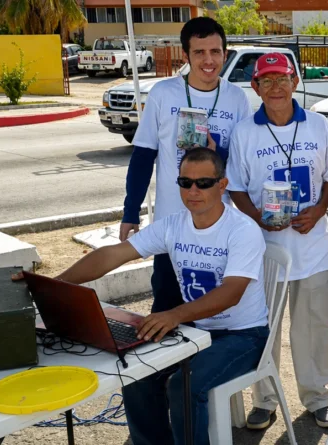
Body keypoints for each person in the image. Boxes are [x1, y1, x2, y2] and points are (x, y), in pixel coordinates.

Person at [20, 148, 269, 445]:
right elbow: (113, 255)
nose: (193, 190)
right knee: (136, 374)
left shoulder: (242, 230)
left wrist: (174, 314)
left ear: (222, 185)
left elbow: (231, 293)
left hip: (243, 335)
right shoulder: (174, 224)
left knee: (183, 386)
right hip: (195, 330)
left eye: (203, 183)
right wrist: (51, 283)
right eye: (184, 182)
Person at [226, 53, 328, 428]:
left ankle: (318, 397)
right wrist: (258, 218)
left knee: (315, 327)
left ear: (295, 81)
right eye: (267, 81)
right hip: (264, 249)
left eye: (282, 79)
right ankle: (265, 399)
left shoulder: (319, 125)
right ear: (255, 87)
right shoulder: (244, 132)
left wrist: (321, 207)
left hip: (313, 248)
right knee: (265, 329)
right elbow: (238, 189)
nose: (276, 87)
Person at [119, 17, 252, 320]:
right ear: (185, 56)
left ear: (225, 53)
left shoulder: (236, 98)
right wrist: (130, 212)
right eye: (200, 52)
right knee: (166, 307)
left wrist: (219, 153)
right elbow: (142, 156)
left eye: (216, 52)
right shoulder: (163, 94)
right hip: (172, 224)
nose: (209, 60)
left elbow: (244, 163)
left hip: (220, 228)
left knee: (213, 313)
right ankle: (166, 369)